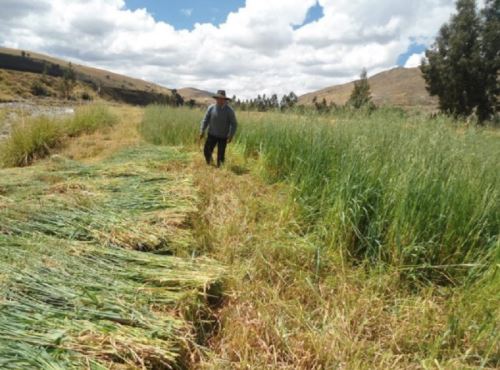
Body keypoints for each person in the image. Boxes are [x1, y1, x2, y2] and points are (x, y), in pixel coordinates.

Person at [199, 90, 238, 167]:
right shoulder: (211, 108)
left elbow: (234, 124)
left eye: (222, 99)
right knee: (207, 151)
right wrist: (202, 130)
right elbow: (205, 120)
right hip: (212, 135)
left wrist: (231, 135)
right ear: (216, 98)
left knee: (220, 157)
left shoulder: (229, 111)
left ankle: (220, 169)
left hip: (223, 137)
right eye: (218, 98)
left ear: (225, 100)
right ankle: (210, 164)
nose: (220, 100)